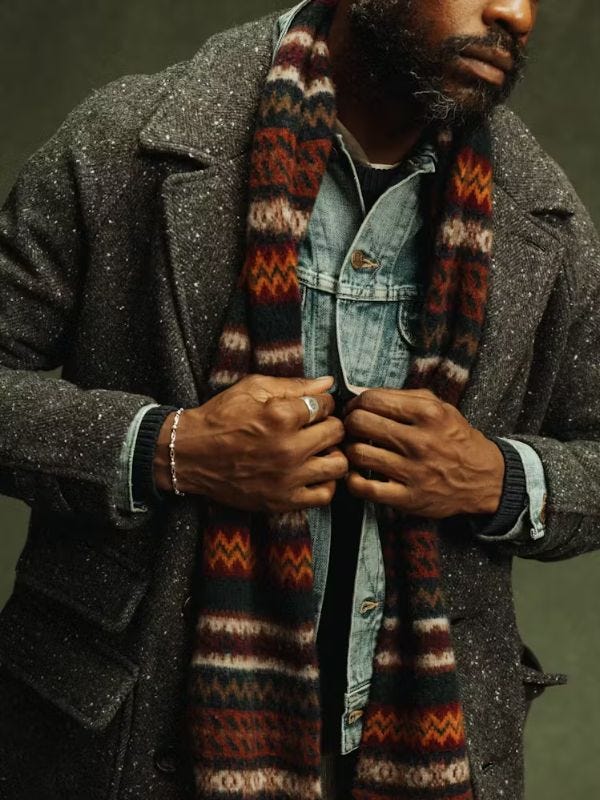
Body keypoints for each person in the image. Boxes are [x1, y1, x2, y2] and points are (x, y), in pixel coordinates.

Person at [0, 0, 598, 798]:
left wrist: (502, 478)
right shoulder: (125, 144)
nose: (514, 15)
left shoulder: (541, 218)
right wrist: (168, 449)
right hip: (140, 737)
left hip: (428, 741)